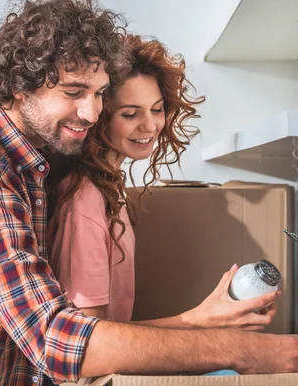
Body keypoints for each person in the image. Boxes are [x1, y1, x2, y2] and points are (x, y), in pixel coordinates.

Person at [0, 2, 298, 386]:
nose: (91, 112)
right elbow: (57, 339)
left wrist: (200, 322)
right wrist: (240, 351)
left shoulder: (33, 157)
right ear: (18, 86)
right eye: (73, 91)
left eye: (100, 93)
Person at [46, 35, 279, 333]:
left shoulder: (108, 188)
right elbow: (89, 339)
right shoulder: (85, 200)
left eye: (156, 109)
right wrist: (202, 320)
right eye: (130, 114)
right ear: (98, 116)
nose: (150, 126)